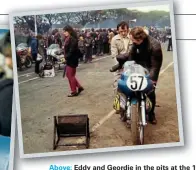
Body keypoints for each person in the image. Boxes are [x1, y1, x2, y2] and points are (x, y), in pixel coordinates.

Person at [112, 26, 163, 124]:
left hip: (149, 67)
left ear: (141, 39)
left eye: (134, 40)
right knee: (124, 86)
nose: (132, 42)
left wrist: (152, 81)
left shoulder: (155, 46)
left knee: (150, 91)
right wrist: (124, 67)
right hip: (137, 65)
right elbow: (131, 56)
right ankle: (123, 110)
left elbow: (155, 66)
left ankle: (151, 114)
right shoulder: (135, 42)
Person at [63, 25, 84, 97]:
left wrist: (65, 57)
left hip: (72, 59)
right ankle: (79, 87)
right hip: (70, 59)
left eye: (65, 31)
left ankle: (74, 91)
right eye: (64, 31)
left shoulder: (72, 39)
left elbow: (71, 51)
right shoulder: (69, 38)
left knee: (70, 75)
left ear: (69, 31)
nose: (64, 33)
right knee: (70, 75)